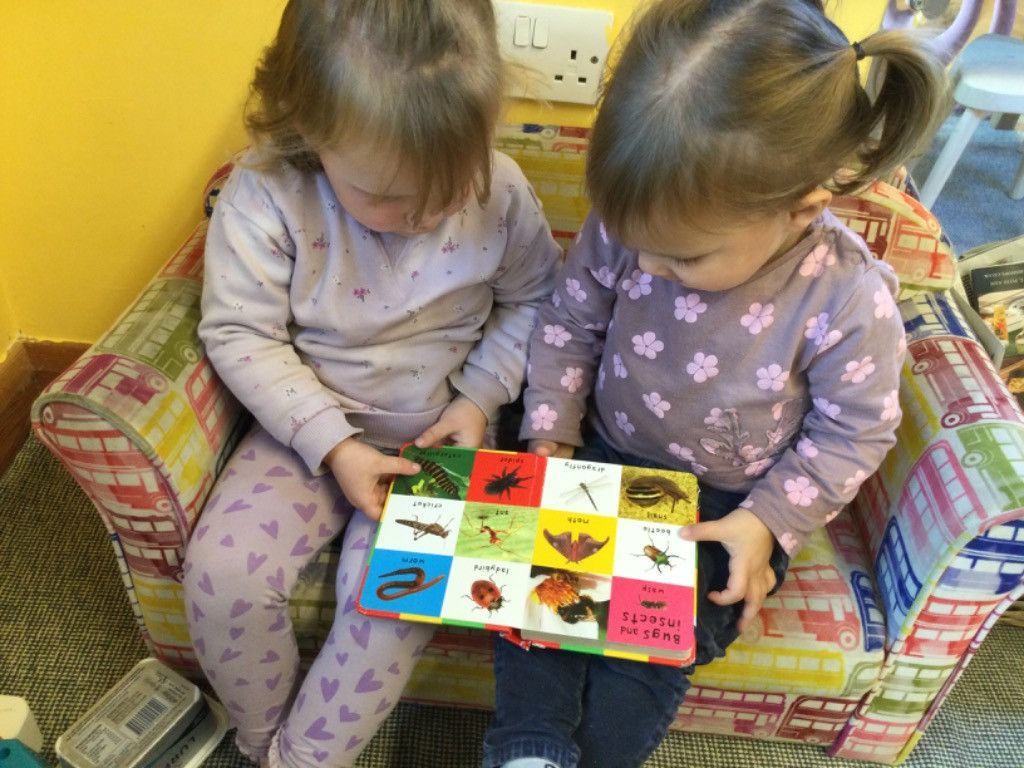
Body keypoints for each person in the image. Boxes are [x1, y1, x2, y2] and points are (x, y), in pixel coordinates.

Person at [481, 1, 947, 767]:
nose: (652, 269)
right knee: (534, 610)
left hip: (725, 508)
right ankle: (528, 748)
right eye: (640, 246)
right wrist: (550, 435)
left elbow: (853, 430)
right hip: (598, 455)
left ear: (802, 209)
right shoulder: (629, 221)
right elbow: (571, 322)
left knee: (647, 647)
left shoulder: (845, 296)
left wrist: (766, 523)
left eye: (685, 259)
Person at [181, 2, 561, 766]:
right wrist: (332, 444)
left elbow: (537, 301)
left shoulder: (504, 190)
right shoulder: (265, 194)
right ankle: (263, 746)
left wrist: (478, 399)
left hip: (437, 444)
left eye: (448, 188)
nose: (421, 217)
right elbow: (239, 332)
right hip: (306, 431)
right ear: (305, 135)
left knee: (391, 606)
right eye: (385, 196)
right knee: (222, 576)